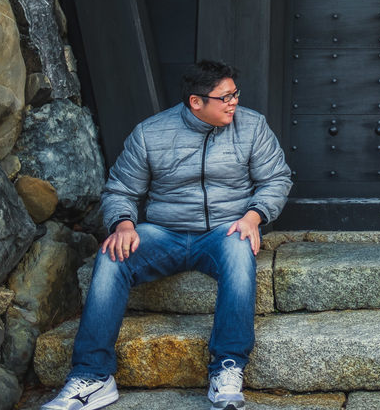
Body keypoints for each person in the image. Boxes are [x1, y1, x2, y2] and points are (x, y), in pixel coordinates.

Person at [42, 60, 292, 410]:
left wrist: (253, 217)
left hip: (225, 230)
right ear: (196, 102)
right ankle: (93, 376)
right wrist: (124, 225)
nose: (234, 102)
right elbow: (120, 191)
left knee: (239, 251)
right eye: (225, 97)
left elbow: (276, 179)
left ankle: (228, 368)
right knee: (112, 255)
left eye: (235, 93)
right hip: (164, 233)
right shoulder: (151, 133)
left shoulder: (252, 127)